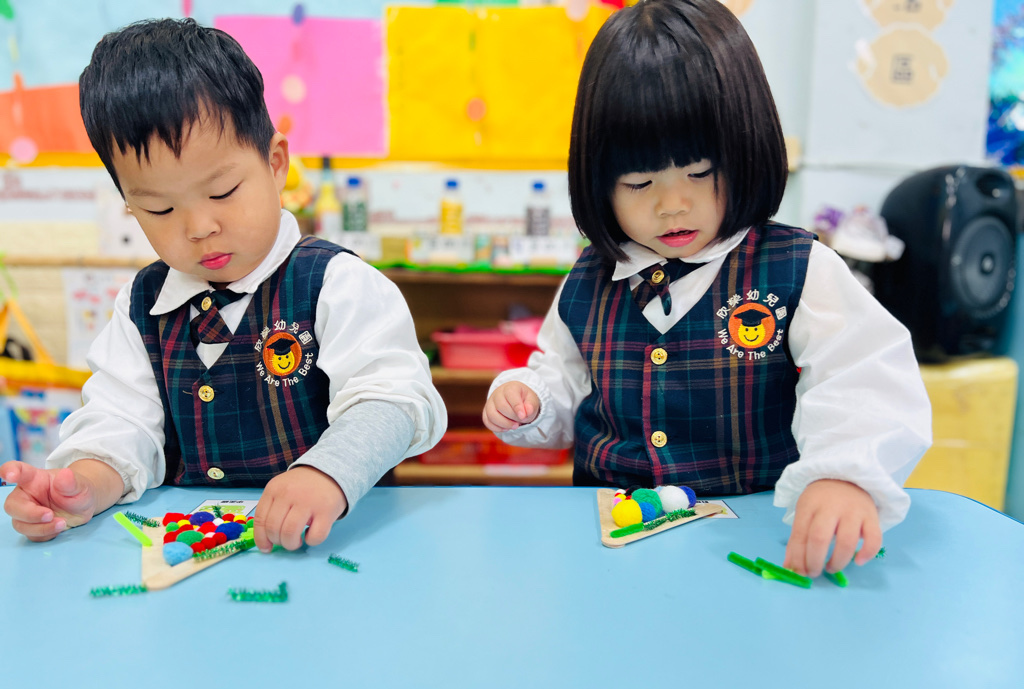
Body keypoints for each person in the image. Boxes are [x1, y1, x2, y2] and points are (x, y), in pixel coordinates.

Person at [482, 0, 931, 578]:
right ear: (597, 181)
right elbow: (564, 380)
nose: (673, 204)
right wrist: (529, 400)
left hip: (751, 542)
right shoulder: (588, 278)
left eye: (700, 173)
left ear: (747, 150)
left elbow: (861, 375)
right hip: (613, 547)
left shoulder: (797, 267)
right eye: (639, 182)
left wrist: (844, 473)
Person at [1, 18, 446, 551]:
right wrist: (85, 485)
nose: (198, 227)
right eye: (159, 209)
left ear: (275, 164)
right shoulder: (142, 306)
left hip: (331, 547)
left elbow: (394, 400)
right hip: (189, 554)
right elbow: (121, 422)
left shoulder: (337, 284)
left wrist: (328, 472)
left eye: (223, 191)